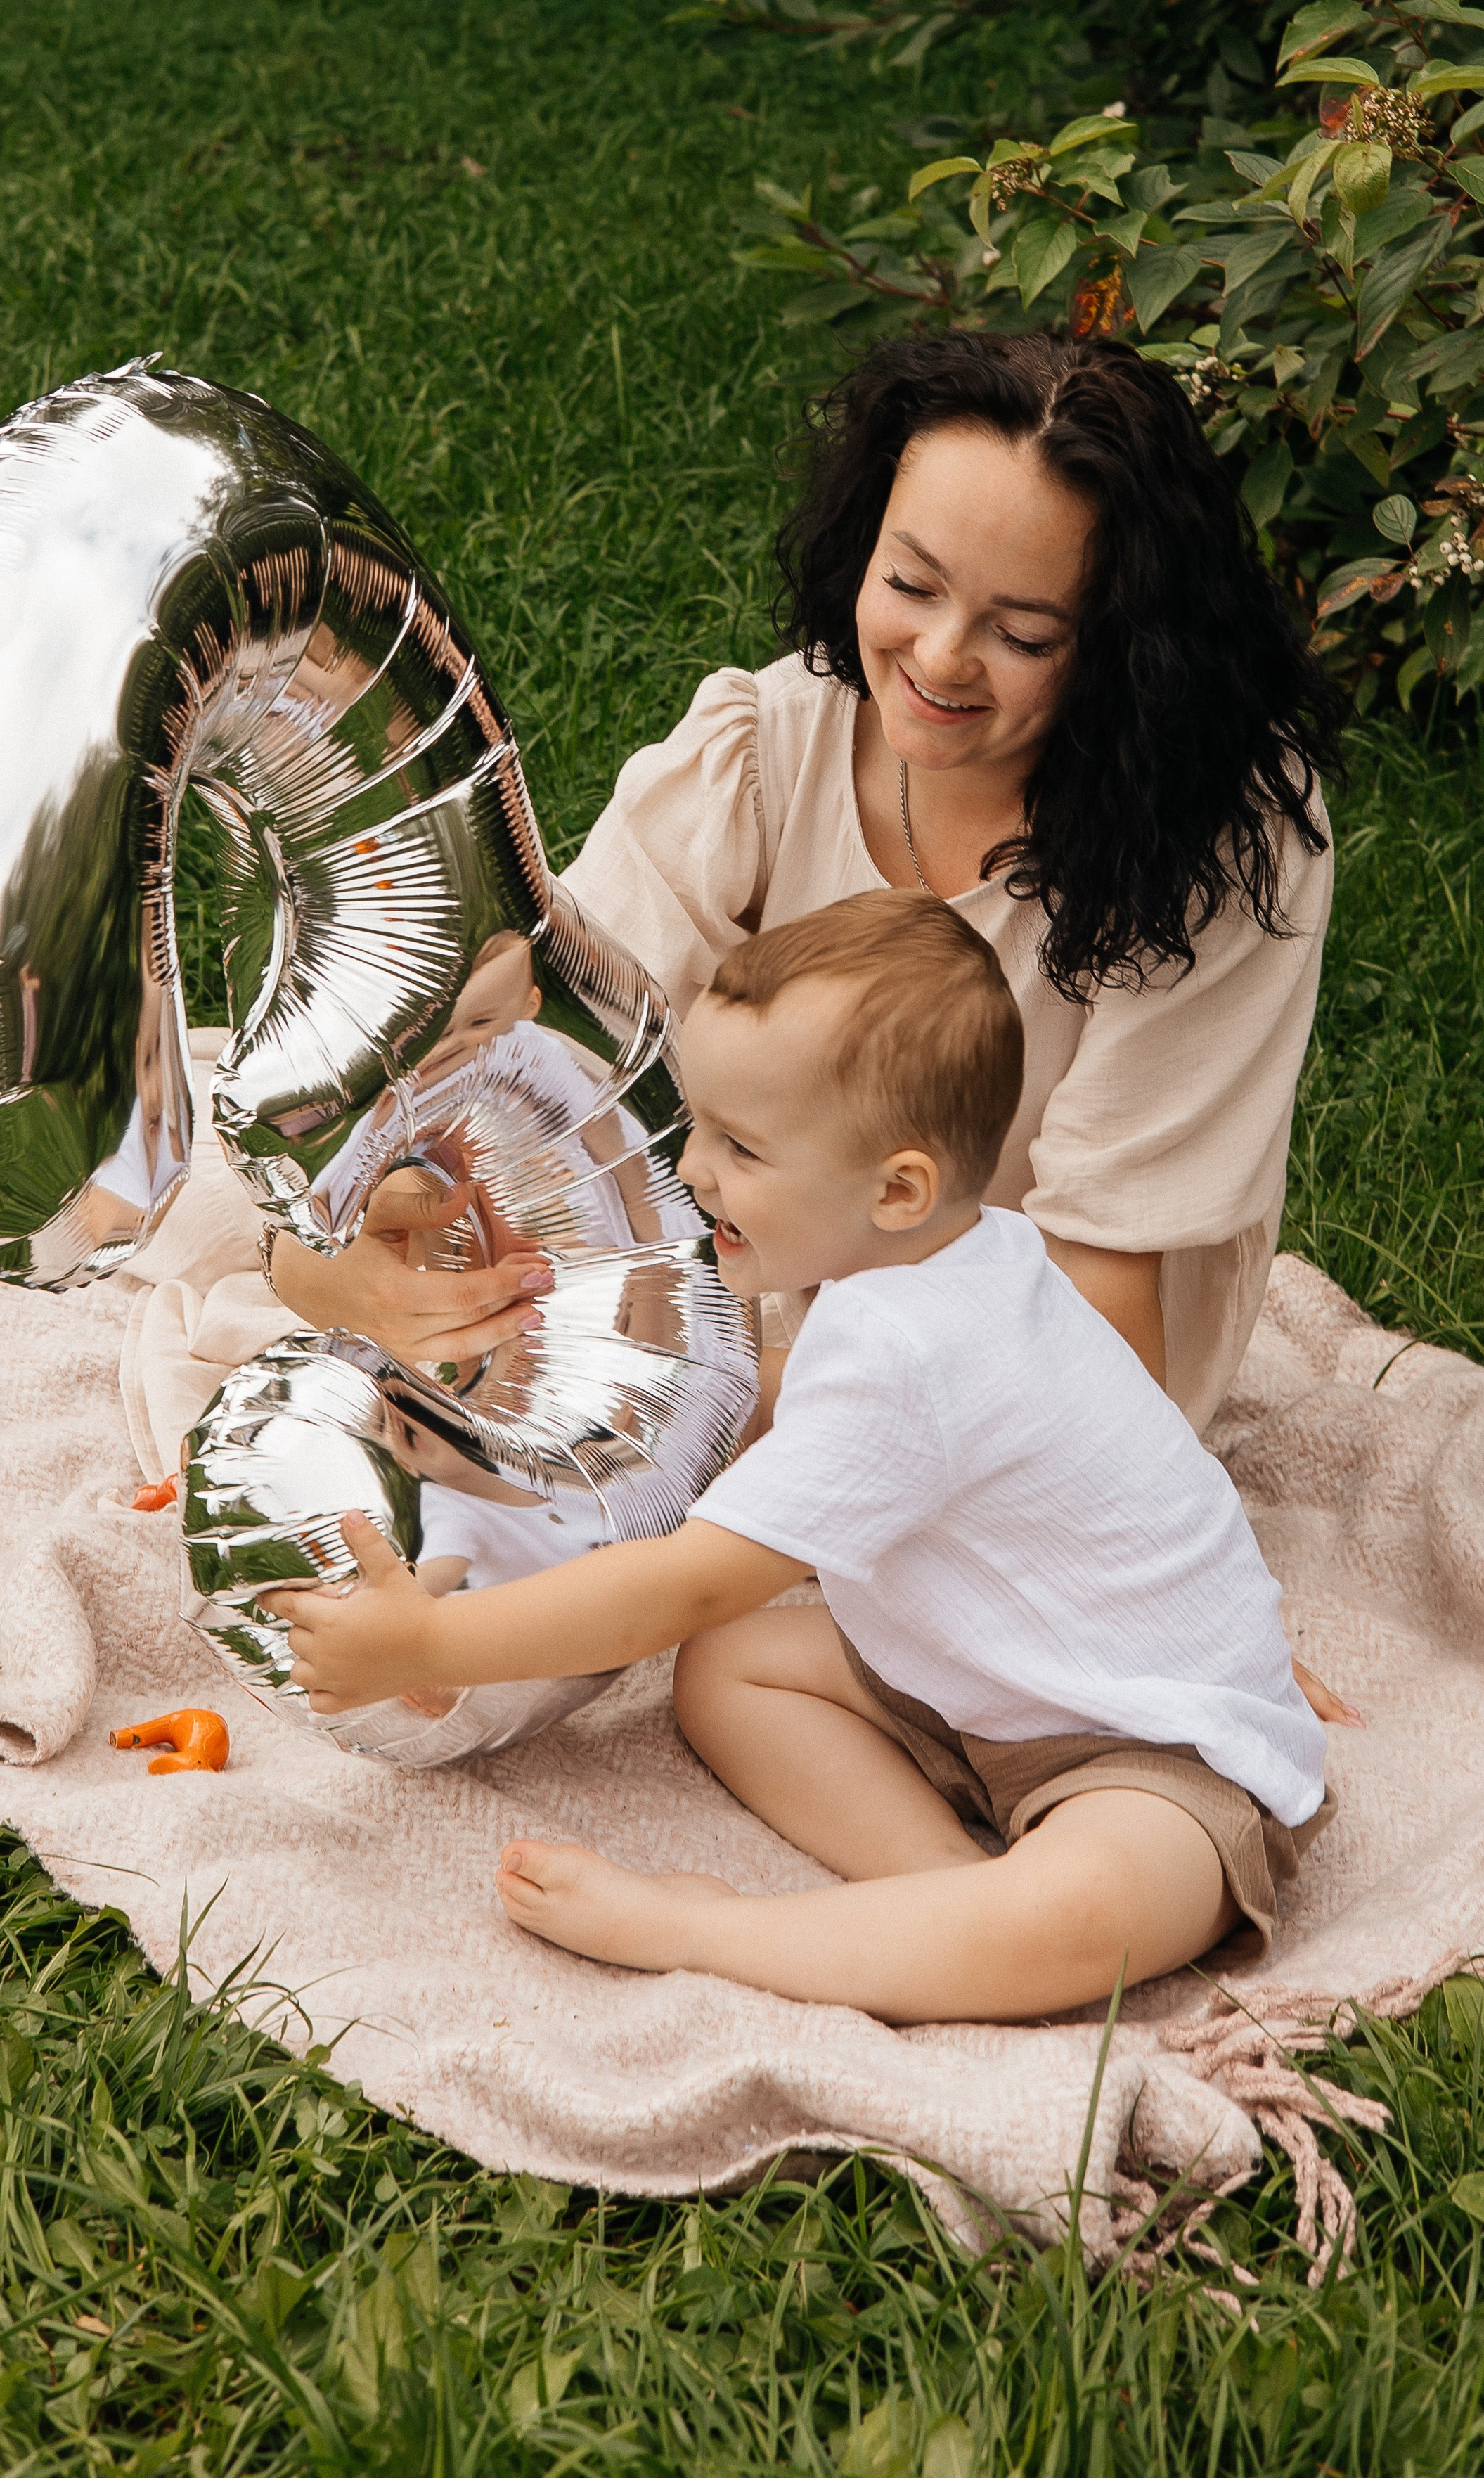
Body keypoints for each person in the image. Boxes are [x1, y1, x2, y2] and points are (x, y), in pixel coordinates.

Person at [262, 327, 1355, 1724]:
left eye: (1023, 635)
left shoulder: (1216, 842)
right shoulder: (764, 747)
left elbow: (1100, 1312)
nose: (941, 659)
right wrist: (368, 1262)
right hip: (750, 1259)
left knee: (633, 1569)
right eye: (906, 584)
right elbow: (535, 1057)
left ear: (1127, 650)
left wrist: (1133, 1604)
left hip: (1020, 1374)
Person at [265, 893, 1328, 2024]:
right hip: (980, 1678)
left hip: (1157, 1747)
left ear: (897, 1188)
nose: (698, 1170)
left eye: (742, 1146)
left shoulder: (910, 1345)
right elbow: (760, 1437)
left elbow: (684, 1584)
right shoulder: (960, 1255)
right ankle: (945, 1897)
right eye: (702, 1126)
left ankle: (710, 1930)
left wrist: (429, 1640)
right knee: (732, 1666)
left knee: (1083, 1918)